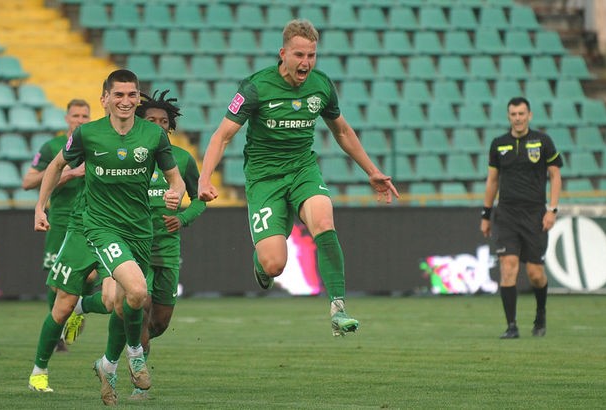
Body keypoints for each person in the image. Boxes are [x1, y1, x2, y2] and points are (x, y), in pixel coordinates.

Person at [198, 19, 399, 337]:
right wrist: (205, 178)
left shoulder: (321, 86)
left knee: (324, 220)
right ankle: (261, 263)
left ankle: (338, 309)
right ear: (283, 54)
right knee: (274, 264)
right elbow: (222, 136)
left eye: (311, 55)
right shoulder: (255, 87)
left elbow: (342, 131)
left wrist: (372, 171)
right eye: (299, 55)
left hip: (303, 170)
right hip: (265, 178)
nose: (306, 62)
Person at [31, 69, 185, 405]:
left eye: (131, 95)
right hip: (101, 227)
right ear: (105, 99)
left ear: (138, 98)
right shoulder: (88, 134)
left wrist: (176, 192)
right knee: (139, 291)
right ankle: (135, 353)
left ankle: (107, 365)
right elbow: (55, 166)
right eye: (119, 95)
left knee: (121, 303)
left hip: (139, 230)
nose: (125, 101)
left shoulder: (153, 136)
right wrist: (41, 207)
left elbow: (175, 178)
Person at [134, 89, 206, 399]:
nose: (159, 125)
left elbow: (200, 198)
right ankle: (138, 378)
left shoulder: (183, 159)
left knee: (159, 323)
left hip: (168, 248)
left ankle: (132, 342)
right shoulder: (130, 155)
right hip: (137, 245)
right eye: (151, 120)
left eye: (163, 121)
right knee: (141, 304)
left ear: (170, 126)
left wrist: (183, 218)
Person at [480, 97, 563, 339]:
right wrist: (486, 214)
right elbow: (492, 181)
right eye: (513, 114)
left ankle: (540, 313)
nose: (517, 118)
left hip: (535, 214)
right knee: (508, 267)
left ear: (529, 115)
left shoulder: (543, 141)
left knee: (535, 273)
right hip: (506, 214)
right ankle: (511, 326)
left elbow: (555, 176)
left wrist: (552, 210)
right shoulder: (498, 144)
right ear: (508, 116)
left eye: (521, 113)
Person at [22, 98, 91, 352]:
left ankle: (78, 311)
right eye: (76, 116)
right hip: (60, 219)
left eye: (84, 116)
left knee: (91, 275)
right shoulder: (53, 147)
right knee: (55, 277)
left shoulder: (94, 144)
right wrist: (71, 173)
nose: (80, 120)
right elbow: (28, 182)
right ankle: (57, 335)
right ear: (67, 118)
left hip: (90, 218)